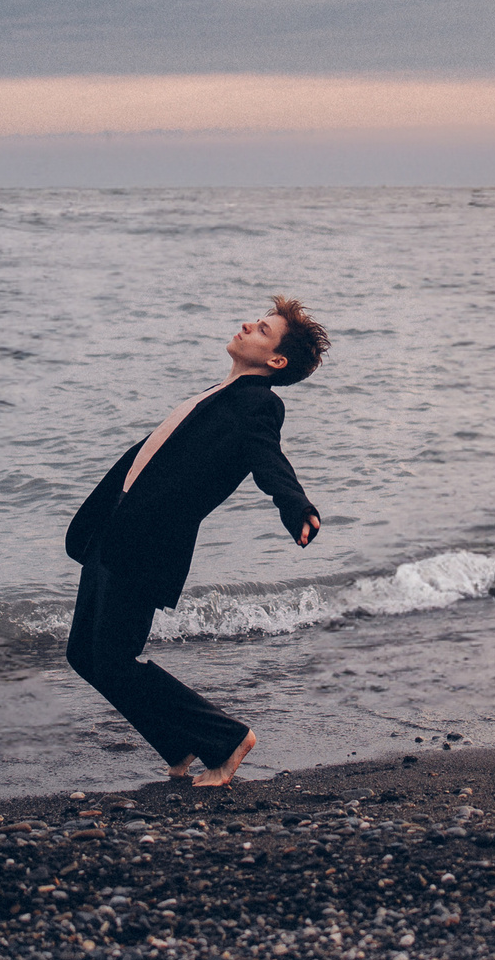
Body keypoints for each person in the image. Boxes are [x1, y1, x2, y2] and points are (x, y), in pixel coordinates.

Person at [62, 297, 328, 788]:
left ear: (276, 361)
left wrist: (296, 505)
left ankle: (226, 739)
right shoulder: (220, 393)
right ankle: (179, 741)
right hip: (114, 534)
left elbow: (269, 458)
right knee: (84, 655)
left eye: (263, 329)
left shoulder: (258, 403)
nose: (248, 324)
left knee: (114, 660)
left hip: (148, 545)